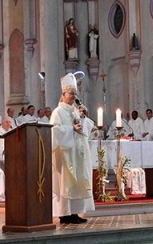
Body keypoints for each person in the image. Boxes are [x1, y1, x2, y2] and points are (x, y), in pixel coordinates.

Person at [51, 72, 94, 224]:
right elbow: (54, 131)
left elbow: (85, 129)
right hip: (65, 154)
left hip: (78, 153)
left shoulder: (75, 110)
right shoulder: (58, 112)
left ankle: (75, 212)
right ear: (63, 93)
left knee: (78, 181)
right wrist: (71, 130)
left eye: (75, 94)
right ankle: (64, 214)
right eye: (71, 93)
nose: (74, 97)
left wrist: (83, 117)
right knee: (66, 182)